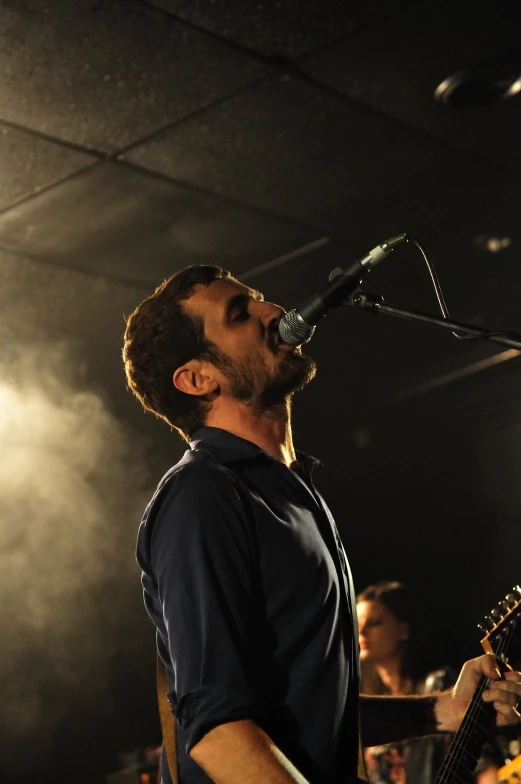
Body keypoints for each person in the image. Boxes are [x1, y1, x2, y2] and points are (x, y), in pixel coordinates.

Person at [122, 265, 521, 784]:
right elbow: (217, 733)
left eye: (260, 299)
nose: (275, 312)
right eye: (241, 314)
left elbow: (309, 712)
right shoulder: (203, 494)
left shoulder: (291, 490)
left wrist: (440, 710)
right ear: (198, 378)